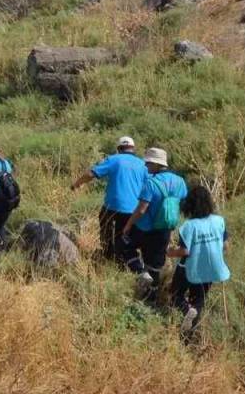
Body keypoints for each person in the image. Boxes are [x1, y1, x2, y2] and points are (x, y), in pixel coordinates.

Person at [120, 148, 187, 304]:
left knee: (124, 247)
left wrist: (128, 225)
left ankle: (139, 271)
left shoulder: (152, 183)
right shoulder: (180, 182)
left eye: (148, 162)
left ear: (156, 164)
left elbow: (141, 209)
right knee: (155, 265)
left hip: (144, 228)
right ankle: (150, 301)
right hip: (165, 229)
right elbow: (182, 202)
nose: (146, 165)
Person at [167, 185, 230, 346]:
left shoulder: (189, 226)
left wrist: (170, 252)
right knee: (198, 301)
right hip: (211, 269)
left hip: (190, 268)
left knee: (175, 295)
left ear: (190, 204)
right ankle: (187, 339)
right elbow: (225, 246)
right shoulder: (219, 221)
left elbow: (185, 251)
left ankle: (187, 311)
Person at [71, 136, 148, 265]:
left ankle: (107, 255)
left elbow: (91, 174)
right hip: (133, 210)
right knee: (124, 235)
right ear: (133, 149)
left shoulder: (114, 160)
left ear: (119, 149)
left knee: (106, 230)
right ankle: (122, 260)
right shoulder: (143, 165)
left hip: (112, 207)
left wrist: (76, 184)